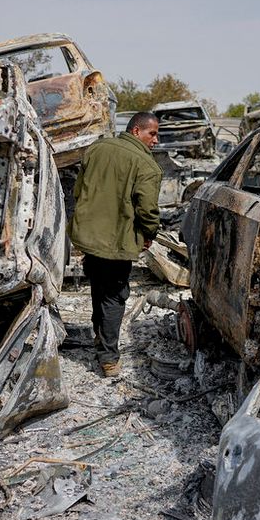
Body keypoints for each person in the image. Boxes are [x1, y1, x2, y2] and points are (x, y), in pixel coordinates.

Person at [69, 112, 162, 377]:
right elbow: (148, 210)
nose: (156, 140)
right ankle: (108, 359)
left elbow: (78, 190)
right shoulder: (146, 165)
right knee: (114, 295)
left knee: (98, 287)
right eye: (152, 133)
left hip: (89, 237)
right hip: (117, 241)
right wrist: (149, 233)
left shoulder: (96, 148)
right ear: (135, 131)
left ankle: (100, 338)